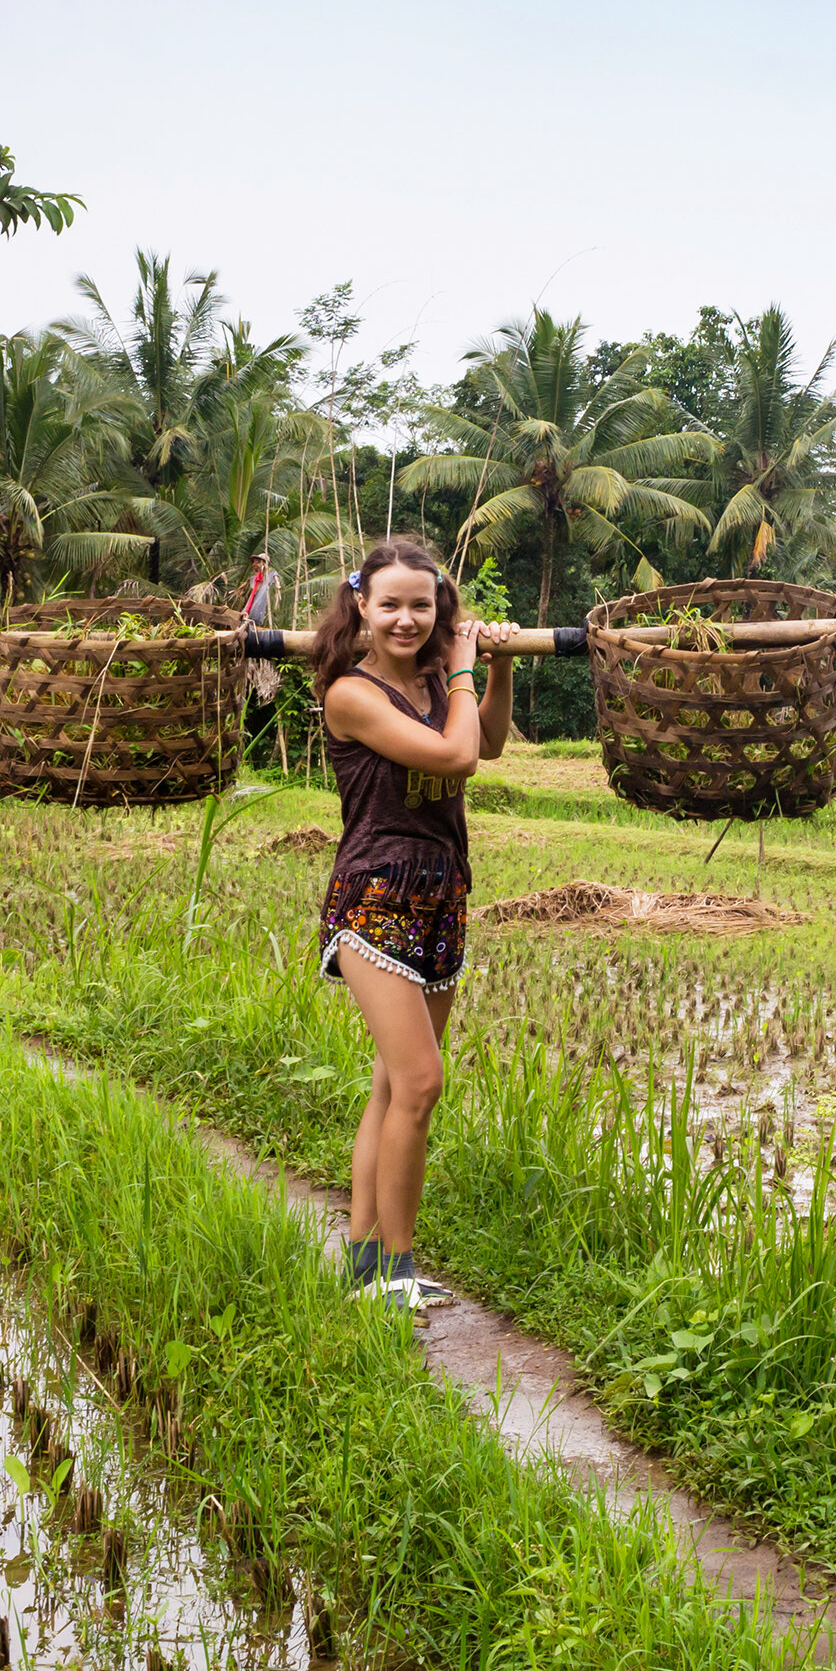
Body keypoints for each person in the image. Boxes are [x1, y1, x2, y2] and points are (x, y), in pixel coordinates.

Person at [308, 536, 517, 1311]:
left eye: (421, 606)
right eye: (390, 604)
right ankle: (396, 1270)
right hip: (373, 897)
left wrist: (492, 667)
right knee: (422, 1084)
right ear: (360, 605)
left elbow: (487, 741)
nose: (406, 620)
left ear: (440, 609)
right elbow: (453, 760)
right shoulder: (350, 694)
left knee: (394, 1086)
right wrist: (462, 667)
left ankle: (364, 1264)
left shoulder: (439, 680)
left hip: (441, 892)